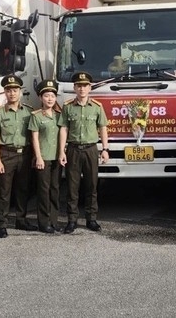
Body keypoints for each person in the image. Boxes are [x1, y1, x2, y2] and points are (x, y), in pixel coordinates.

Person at [58, 72, 109, 234]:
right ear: (74, 88)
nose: (82, 89)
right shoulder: (67, 107)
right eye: (79, 86)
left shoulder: (97, 107)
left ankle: (91, 219)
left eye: (85, 86)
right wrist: (61, 151)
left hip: (91, 150)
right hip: (73, 149)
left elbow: (103, 128)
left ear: (90, 87)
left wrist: (105, 149)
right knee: (72, 187)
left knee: (92, 186)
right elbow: (64, 129)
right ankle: (72, 220)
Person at [0, 74, 35, 238]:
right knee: (3, 191)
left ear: (20, 92)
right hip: (6, 154)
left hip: (24, 153)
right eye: (9, 90)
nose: (12, 93)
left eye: (15, 90)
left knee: (23, 189)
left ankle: (21, 219)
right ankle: (1, 224)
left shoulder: (29, 112)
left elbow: (33, 135)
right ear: (5, 92)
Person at [29, 79, 62, 233]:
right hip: (43, 158)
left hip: (57, 157)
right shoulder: (36, 116)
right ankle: (43, 222)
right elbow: (34, 138)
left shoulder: (59, 115)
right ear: (41, 98)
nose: (50, 99)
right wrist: (39, 157)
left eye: (52, 96)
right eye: (46, 96)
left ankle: (54, 220)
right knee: (43, 190)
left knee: (55, 189)